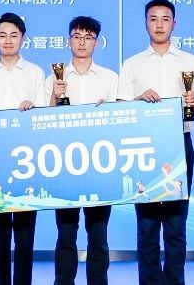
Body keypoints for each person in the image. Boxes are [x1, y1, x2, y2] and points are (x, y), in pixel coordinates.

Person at [117, 0, 194, 285]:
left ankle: (175, 281)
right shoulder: (132, 64)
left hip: (180, 143)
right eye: (153, 19)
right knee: (146, 225)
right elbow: (121, 108)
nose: (159, 25)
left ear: (174, 24)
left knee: (176, 225)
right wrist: (138, 100)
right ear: (146, 23)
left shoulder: (190, 62)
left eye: (165, 19)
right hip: (143, 147)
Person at [0, 12, 46, 285]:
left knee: (26, 234)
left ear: (23, 39)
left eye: (14, 35)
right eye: (2, 35)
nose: (8, 40)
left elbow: (44, 117)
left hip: (28, 159)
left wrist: (34, 109)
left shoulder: (35, 72)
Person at [45, 16, 118, 285]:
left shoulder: (110, 78)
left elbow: (119, 121)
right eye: (77, 37)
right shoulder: (54, 77)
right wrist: (54, 96)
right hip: (65, 165)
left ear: (97, 42)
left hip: (99, 164)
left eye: (88, 37)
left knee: (98, 234)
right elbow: (43, 122)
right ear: (69, 41)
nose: (82, 42)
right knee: (66, 234)